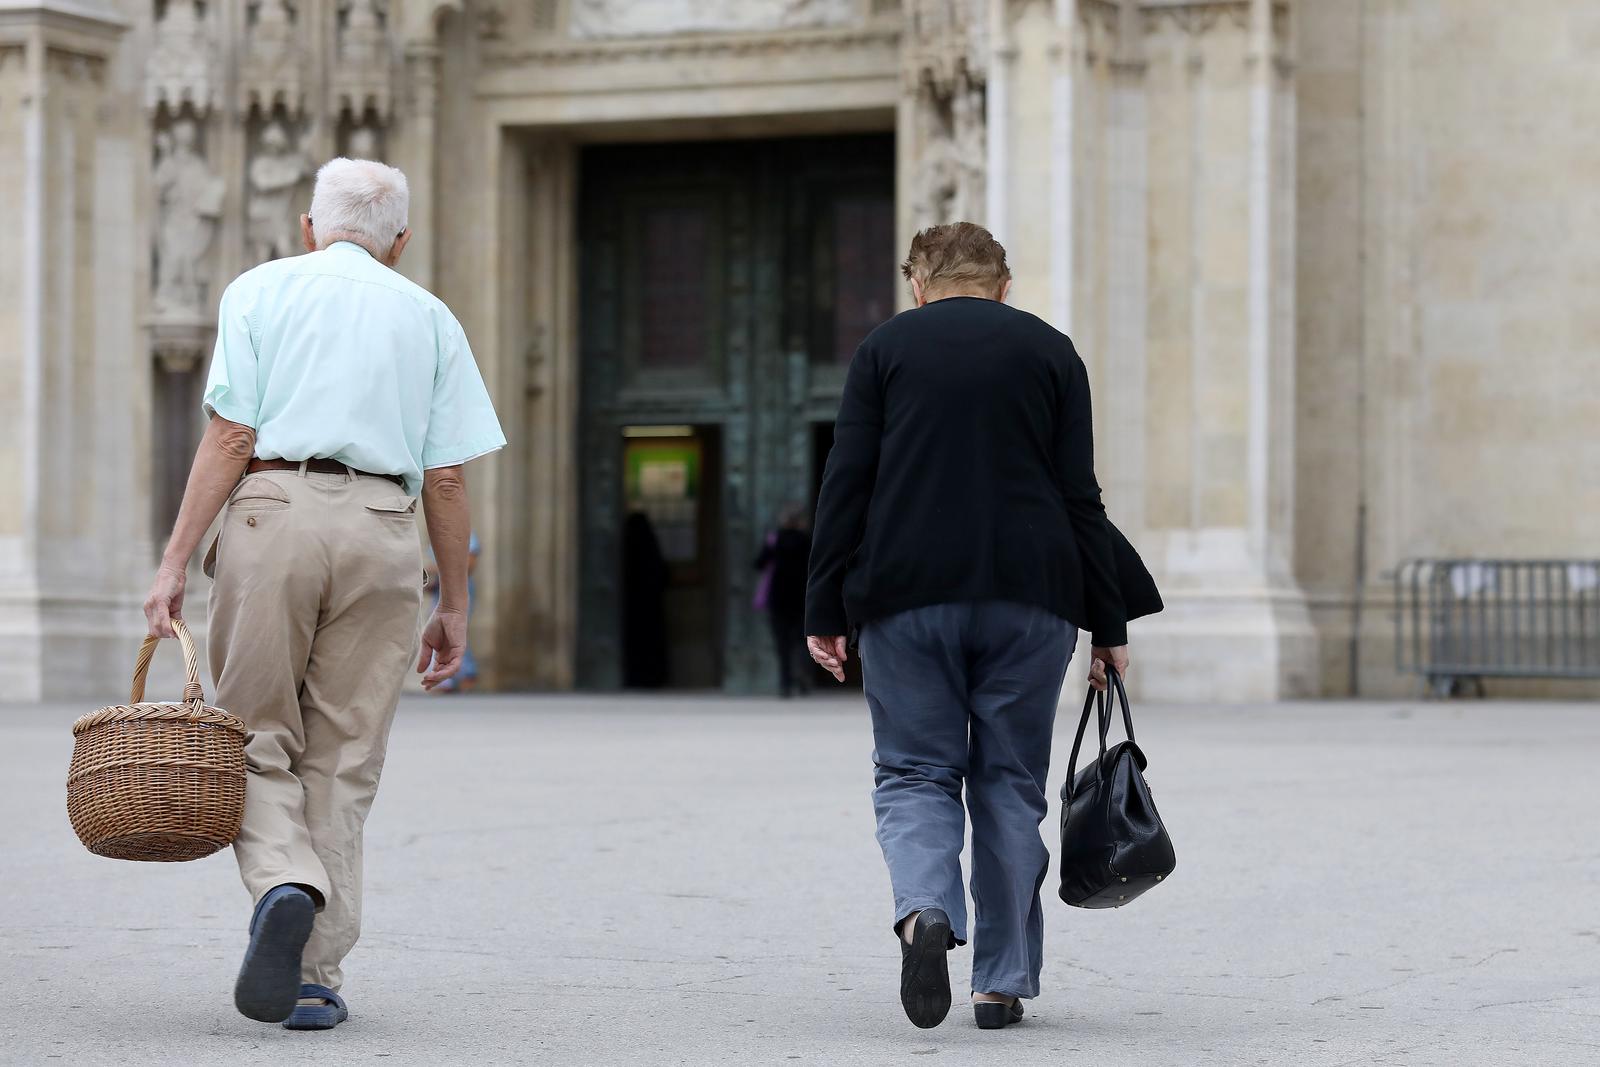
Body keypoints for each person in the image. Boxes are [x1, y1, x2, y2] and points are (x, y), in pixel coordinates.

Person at [142, 157, 505, 1031]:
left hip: (274, 508)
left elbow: (232, 434)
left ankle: (282, 882)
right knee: (344, 753)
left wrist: (174, 560)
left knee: (254, 729)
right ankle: (314, 974)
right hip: (386, 524)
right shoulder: (429, 315)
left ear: (309, 227)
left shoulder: (260, 290)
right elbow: (447, 477)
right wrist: (453, 601)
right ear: (400, 241)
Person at [805, 222, 1129, 1031]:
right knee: (1009, 785)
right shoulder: (1053, 353)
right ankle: (1001, 982)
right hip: (1032, 596)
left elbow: (847, 481)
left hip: (907, 596)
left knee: (914, 771)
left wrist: (823, 609)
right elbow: (1079, 497)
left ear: (917, 282)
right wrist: (1108, 623)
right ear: (1004, 285)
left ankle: (925, 915)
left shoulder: (885, 349)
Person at [753, 504, 813, 697]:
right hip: (802, 597)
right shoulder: (806, 541)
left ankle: (785, 684)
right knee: (802, 642)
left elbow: (759, 563)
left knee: (782, 644)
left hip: (778, 598)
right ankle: (802, 675)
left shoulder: (775, 540)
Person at [424, 530, 482, 692]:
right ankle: (446, 678)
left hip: (459, 585)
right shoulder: (434, 531)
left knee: (454, 630)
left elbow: (470, 562)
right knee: (438, 632)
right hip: (440, 588)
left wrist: (438, 569)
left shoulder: (462, 530)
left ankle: (467, 674)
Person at [621, 511, 670, 688]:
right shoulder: (651, 550)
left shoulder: (626, 552)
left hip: (632, 610)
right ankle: (653, 678)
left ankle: (634, 677)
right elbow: (664, 576)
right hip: (651, 610)